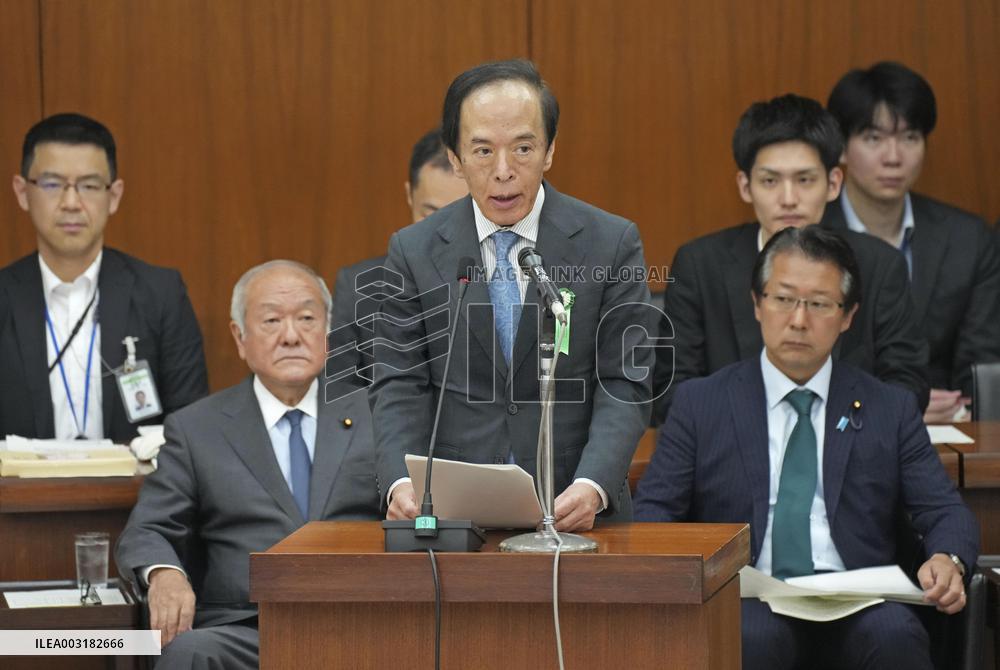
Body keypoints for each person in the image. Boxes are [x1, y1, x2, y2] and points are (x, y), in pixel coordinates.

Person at [635, 225, 978, 670]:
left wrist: (948, 558)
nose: (799, 320)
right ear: (757, 303)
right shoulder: (701, 403)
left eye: (818, 304)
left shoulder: (888, 407)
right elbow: (655, 511)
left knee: (895, 634)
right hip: (751, 594)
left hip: (858, 595)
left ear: (848, 316)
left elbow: (944, 509)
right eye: (783, 299)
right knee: (751, 636)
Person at [369, 59, 653, 531]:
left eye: (523, 148)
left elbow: (624, 380)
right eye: (482, 151)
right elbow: (399, 381)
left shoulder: (610, 242)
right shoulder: (414, 250)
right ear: (455, 158)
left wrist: (593, 484)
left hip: (575, 509)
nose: (503, 171)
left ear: (550, 150)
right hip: (453, 512)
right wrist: (402, 483)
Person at [115, 260, 381, 669]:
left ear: (328, 332)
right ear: (240, 338)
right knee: (188, 653)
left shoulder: (377, 414)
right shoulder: (197, 428)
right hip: (247, 631)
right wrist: (165, 574)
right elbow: (148, 528)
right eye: (272, 321)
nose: (291, 336)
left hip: (364, 624)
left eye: (307, 319)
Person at [651, 94, 928, 425]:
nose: (788, 199)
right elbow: (672, 392)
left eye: (804, 180)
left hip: (848, 443)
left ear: (833, 183)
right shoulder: (700, 265)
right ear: (745, 186)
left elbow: (907, 386)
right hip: (729, 448)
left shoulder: (879, 265)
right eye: (770, 181)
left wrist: (834, 432)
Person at [0, 113, 208, 442]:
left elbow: (191, 426)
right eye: (52, 185)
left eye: (89, 186)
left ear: (114, 196)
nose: (71, 203)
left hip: (138, 478)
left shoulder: (161, 295)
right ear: (23, 192)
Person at [823, 61, 1000, 423]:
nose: (893, 157)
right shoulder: (811, 238)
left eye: (909, 138)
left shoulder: (968, 239)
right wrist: (900, 405)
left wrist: (962, 407)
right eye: (873, 138)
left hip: (946, 428)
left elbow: (981, 367)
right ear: (840, 148)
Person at [328, 128, 468, 389]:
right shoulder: (358, 287)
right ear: (409, 195)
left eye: (459, 217)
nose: (443, 233)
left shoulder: (508, 280)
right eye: (430, 216)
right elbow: (342, 394)